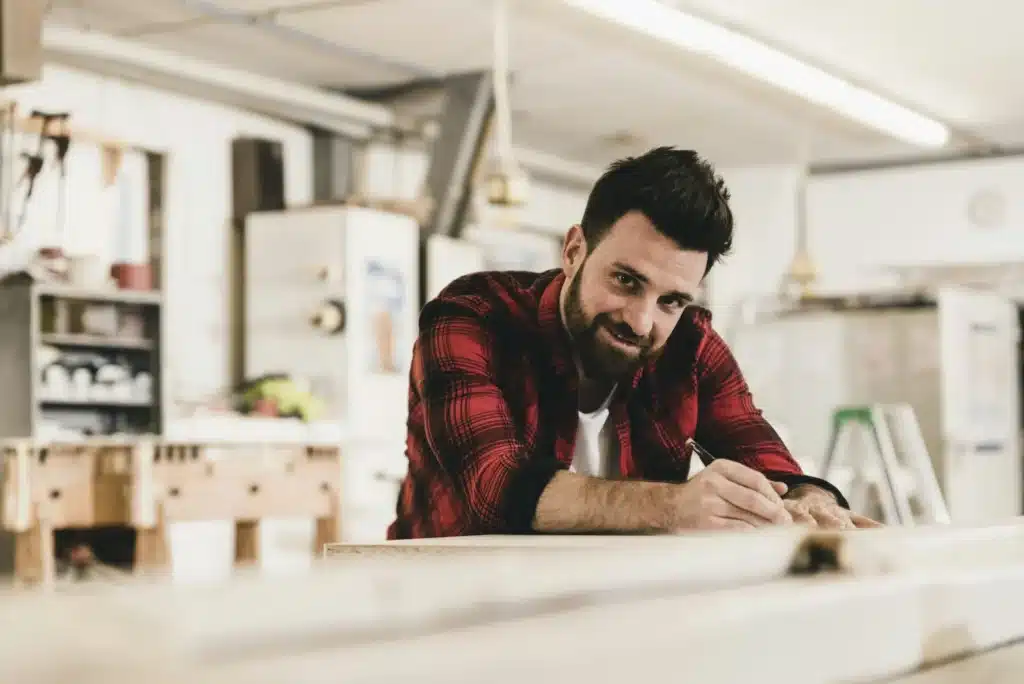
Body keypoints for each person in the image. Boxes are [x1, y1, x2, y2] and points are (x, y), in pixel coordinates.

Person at [388, 146, 878, 539]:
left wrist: (811, 499)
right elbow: (495, 487)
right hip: (444, 615)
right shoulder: (474, 315)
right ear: (575, 250)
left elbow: (762, 451)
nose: (641, 321)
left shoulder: (691, 344)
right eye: (626, 280)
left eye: (672, 300)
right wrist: (673, 506)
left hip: (610, 616)